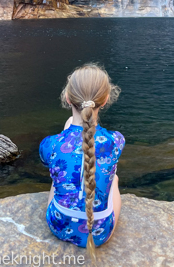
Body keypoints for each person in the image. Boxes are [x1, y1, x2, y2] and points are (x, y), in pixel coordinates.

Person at [39, 63, 124, 257]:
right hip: (100, 233)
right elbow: (91, 143)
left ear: (68, 98)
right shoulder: (116, 141)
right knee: (115, 179)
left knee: (58, 175)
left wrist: (66, 130)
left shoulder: (50, 144)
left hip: (59, 224)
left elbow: (51, 161)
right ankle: (102, 221)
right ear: (105, 100)